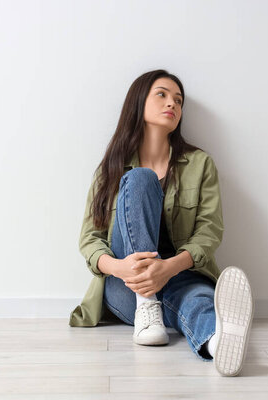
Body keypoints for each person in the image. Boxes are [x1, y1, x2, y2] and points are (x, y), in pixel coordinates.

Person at [69, 69, 254, 377]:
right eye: (163, 95)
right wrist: (121, 268)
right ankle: (146, 306)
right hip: (125, 286)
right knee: (141, 179)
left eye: (178, 100)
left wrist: (168, 268)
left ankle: (217, 343)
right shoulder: (110, 169)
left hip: (180, 275)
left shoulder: (200, 164)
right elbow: (89, 239)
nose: (173, 104)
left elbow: (209, 232)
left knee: (196, 300)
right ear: (139, 102)